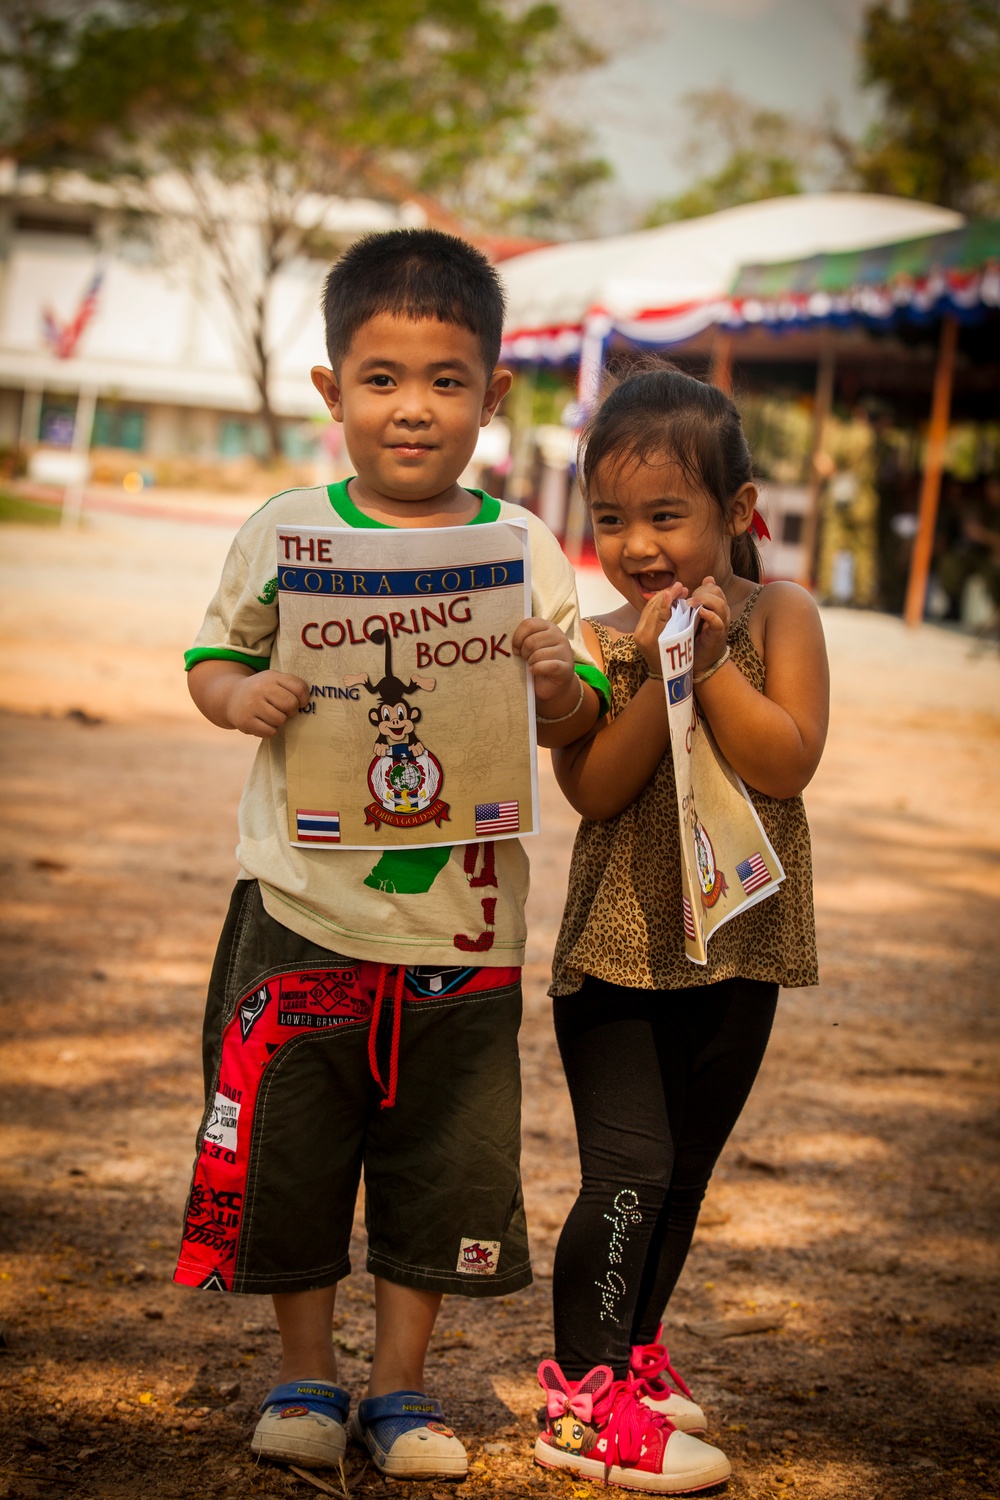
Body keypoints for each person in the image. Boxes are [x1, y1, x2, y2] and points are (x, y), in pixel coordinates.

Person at [174, 228, 609, 1480]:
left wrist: (554, 682)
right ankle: (306, 1376)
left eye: (444, 380)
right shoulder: (284, 528)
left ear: (491, 394)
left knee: (441, 1162)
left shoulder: (525, 541)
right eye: (380, 378)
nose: (411, 409)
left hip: (460, 932)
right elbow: (213, 656)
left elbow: (572, 706)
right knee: (293, 1148)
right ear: (331, 390)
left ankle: (402, 1389)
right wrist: (239, 698)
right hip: (300, 909)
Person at [534, 365, 829, 1493]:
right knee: (628, 1170)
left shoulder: (781, 616)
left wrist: (707, 670)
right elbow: (596, 792)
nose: (639, 544)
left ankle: (632, 1358)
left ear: (738, 512)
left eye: (667, 516)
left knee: (685, 1172)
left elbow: (785, 760)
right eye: (612, 519)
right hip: (618, 947)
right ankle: (579, 1399)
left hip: (736, 943)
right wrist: (655, 666)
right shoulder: (597, 637)